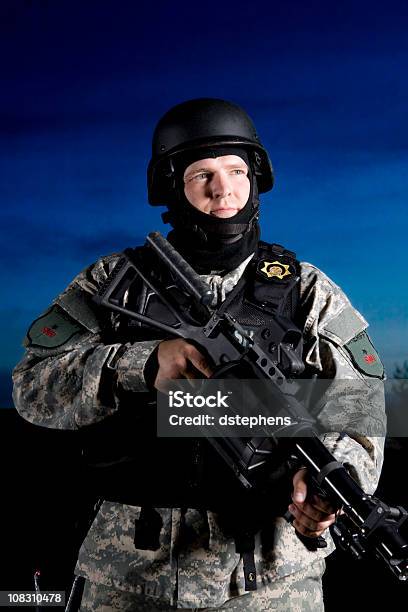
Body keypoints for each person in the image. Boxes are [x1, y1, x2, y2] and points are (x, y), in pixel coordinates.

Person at [13, 98, 386, 611]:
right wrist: (141, 365)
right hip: (129, 575)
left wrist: (324, 490)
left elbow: (362, 410)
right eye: (201, 174)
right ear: (171, 186)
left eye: (237, 170)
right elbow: (33, 387)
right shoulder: (112, 282)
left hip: (271, 584)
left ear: (256, 178)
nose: (224, 189)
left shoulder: (306, 291)